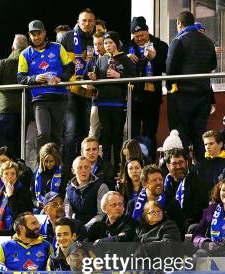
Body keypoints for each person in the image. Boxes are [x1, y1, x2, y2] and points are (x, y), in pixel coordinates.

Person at [166, 11, 217, 161]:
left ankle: (185, 173)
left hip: (182, 95)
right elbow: (213, 64)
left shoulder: (179, 40)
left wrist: (171, 87)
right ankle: (201, 169)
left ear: (179, 24)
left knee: (181, 135)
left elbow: (170, 68)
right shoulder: (208, 42)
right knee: (200, 134)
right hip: (203, 95)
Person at [18, 19, 74, 153]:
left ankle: (56, 168)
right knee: (43, 134)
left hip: (59, 96)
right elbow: (20, 77)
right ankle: (42, 167)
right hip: (40, 99)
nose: (36, 37)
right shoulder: (25, 54)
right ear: (29, 35)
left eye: (39, 33)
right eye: (33, 34)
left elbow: (70, 68)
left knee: (57, 136)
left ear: (44, 33)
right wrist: (34, 78)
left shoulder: (58, 47)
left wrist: (60, 78)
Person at [87, 31, 137, 165]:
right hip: (103, 103)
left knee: (117, 135)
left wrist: (119, 76)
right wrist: (94, 79)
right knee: (106, 136)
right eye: (105, 43)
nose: (107, 45)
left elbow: (134, 79)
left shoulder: (125, 59)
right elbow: (96, 83)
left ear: (117, 43)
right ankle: (107, 167)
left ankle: (118, 166)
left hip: (119, 103)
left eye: (110, 43)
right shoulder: (101, 59)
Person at [126, 16, 169, 156]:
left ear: (148, 31)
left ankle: (149, 161)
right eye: (136, 36)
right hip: (134, 98)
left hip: (152, 97)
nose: (139, 38)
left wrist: (154, 58)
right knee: (133, 133)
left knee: (151, 131)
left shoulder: (160, 45)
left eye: (142, 35)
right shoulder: (127, 47)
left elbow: (167, 68)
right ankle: (133, 162)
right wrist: (126, 58)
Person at [59, 8, 96, 164]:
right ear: (78, 22)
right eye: (84, 20)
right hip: (71, 92)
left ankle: (84, 168)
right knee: (70, 133)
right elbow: (60, 64)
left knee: (85, 134)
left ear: (94, 23)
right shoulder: (67, 38)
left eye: (90, 21)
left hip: (89, 93)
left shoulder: (97, 38)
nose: (87, 23)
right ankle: (67, 169)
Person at [0, 34, 29, 157]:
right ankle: (19, 169)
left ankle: (6, 169)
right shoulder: (31, 63)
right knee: (21, 141)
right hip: (26, 107)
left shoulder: (3, 63)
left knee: (5, 141)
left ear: (13, 48)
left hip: (6, 108)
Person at [126, 165, 186, 237]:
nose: (159, 183)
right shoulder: (132, 205)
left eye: (160, 179)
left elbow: (181, 231)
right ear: (144, 184)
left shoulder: (172, 203)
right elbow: (129, 230)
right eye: (154, 180)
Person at [163, 148, 208, 230]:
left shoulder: (197, 182)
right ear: (168, 166)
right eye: (174, 163)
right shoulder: (164, 183)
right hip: (169, 225)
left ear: (187, 163)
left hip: (190, 225)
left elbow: (198, 212)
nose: (178, 166)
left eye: (181, 162)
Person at [193, 130, 225, 198]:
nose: (208, 147)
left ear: (220, 144)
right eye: (206, 144)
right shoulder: (198, 166)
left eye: (211, 143)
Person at [66, 156, 110, 226]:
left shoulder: (101, 186)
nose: (84, 170)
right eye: (80, 168)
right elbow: (67, 214)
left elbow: (102, 214)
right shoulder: (69, 189)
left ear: (90, 169)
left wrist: (85, 227)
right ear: (73, 171)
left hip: (96, 227)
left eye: (86, 167)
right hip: (77, 227)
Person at [32, 143, 68, 211]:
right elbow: (32, 196)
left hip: (57, 208)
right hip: (39, 208)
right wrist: (36, 203)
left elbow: (65, 195)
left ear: (56, 160)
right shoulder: (36, 174)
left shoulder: (63, 173)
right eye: (46, 161)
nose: (48, 164)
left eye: (51, 161)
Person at [88, 32, 107, 138]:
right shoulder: (92, 60)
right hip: (96, 100)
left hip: (112, 100)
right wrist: (90, 81)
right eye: (95, 44)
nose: (97, 47)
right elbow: (83, 78)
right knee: (93, 132)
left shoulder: (114, 58)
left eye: (100, 44)